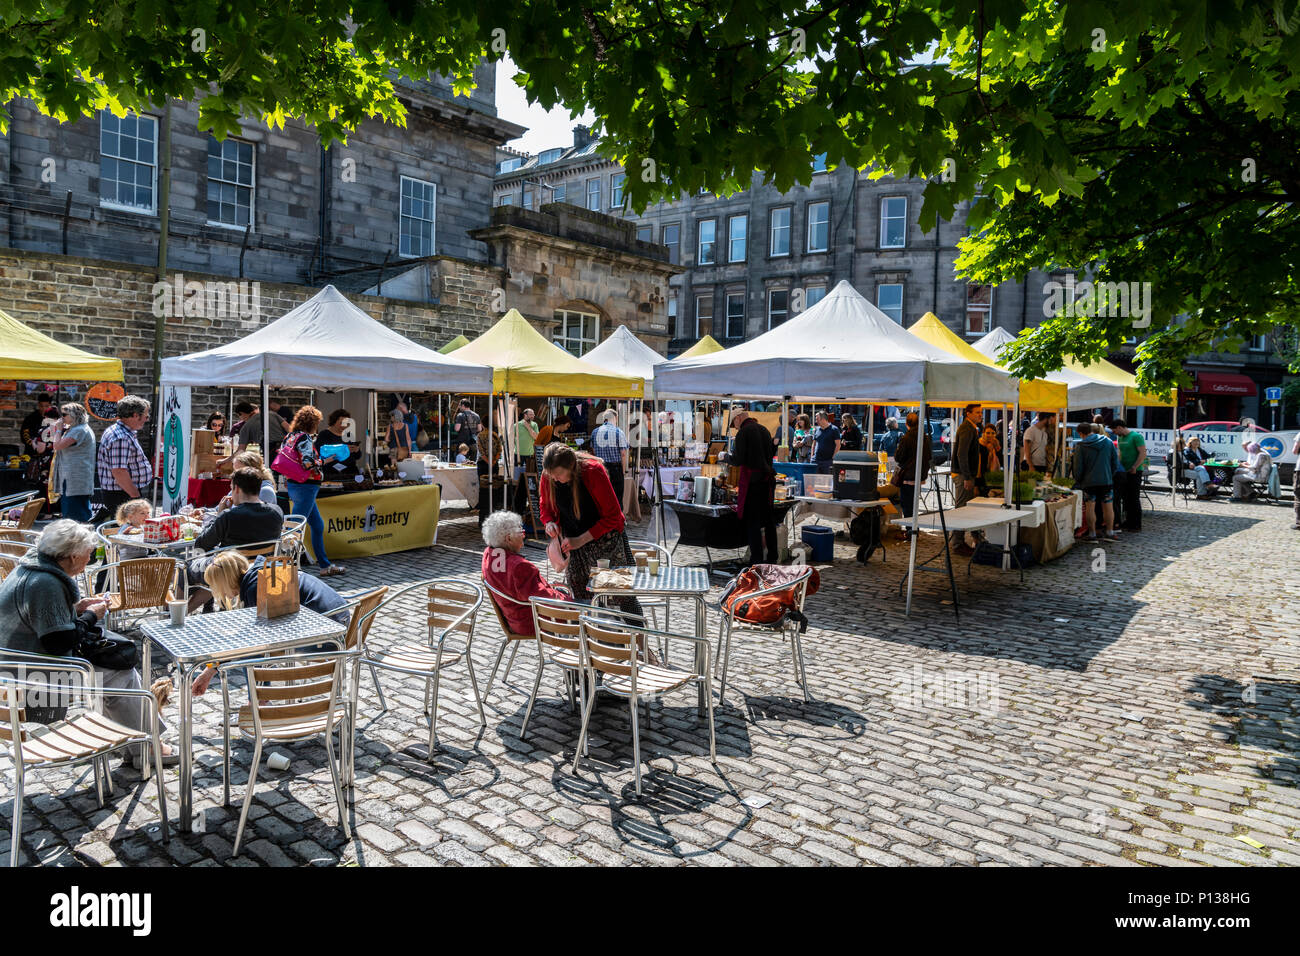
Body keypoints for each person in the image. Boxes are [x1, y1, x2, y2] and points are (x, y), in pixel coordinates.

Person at [0, 520, 176, 767]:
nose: (89, 560)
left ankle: (124, 738)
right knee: (122, 674)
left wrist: (74, 608)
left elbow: (41, 619)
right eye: (87, 554)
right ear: (72, 556)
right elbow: (58, 643)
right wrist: (92, 615)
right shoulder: (46, 584)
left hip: (12, 667)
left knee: (112, 669)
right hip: (33, 677)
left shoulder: (29, 569)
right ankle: (145, 748)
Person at [539, 443, 641, 617]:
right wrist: (549, 522)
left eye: (559, 475)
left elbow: (614, 516)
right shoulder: (549, 475)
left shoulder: (593, 471)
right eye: (552, 475)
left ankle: (638, 641)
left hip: (606, 543)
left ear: (570, 467)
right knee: (580, 597)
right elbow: (545, 505)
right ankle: (588, 641)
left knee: (621, 596)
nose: (555, 479)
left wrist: (582, 539)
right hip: (575, 546)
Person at [187, 467, 286, 610]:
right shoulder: (276, 511)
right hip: (261, 568)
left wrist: (218, 515)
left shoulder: (228, 516)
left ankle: (175, 617)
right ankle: (207, 608)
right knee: (212, 565)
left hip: (230, 570)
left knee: (185, 568)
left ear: (237, 489)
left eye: (231, 489)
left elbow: (201, 544)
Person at [277, 406, 345, 577]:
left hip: (295, 484)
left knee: (317, 525)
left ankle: (324, 565)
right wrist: (325, 460)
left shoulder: (290, 436)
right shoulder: (305, 438)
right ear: (312, 423)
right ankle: (283, 567)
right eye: (317, 422)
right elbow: (308, 463)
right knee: (294, 529)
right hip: (306, 485)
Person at [480, 511, 569, 634]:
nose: (523, 535)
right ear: (509, 539)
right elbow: (542, 597)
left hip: (515, 618)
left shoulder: (489, 554)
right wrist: (572, 602)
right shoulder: (519, 567)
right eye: (520, 531)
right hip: (534, 621)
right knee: (588, 617)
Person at [203, 551, 348, 624]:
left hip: (330, 630)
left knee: (250, 656)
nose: (219, 593)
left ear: (226, 581)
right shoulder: (263, 570)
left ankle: (257, 683)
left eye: (218, 587)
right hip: (343, 616)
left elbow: (261, 638)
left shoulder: (255, 587)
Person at [730, 409, 780, 565]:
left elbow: (738, 460)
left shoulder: (743, 432)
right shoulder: (764, 429)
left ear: (738, 418)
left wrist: (725, 457)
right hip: (767, 481)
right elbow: (771, 452)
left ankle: (756, 559)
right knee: (769, 522)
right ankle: (772, 556)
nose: (735, 427)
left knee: (753, 523)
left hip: (753, 483)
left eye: (734, 423)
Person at [94, 394, 153, 523]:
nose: (146, 420)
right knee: (125, 531)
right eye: (146, 416)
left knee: (122, 530)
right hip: (122, 493)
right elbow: (119, 471)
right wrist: (135, 496)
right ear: (135, 415)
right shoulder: (121, 437)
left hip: (122, 492)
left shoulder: (120, 432)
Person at [47, 403, 96, 523]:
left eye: (64, 415)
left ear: (74, 416)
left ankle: (77, 539)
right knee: (77, 510)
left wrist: (58, 430)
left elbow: (57, 446)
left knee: (74, 515)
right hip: (75, 477)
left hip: (75, 479)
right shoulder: (78, 428)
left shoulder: (79, 430)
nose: (61, 417)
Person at [1072, 422, 1119, 542]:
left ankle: (1092, 534)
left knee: (1090, 507)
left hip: (1089, 482)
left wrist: (1078, 480)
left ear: (1081, 433)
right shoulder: (1108, 442)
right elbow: (1115, 462)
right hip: (1106, 480)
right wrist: (1109, 474)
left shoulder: (1081, 446)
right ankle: (1109, 532)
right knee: (1108, 506)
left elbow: (1078, 467)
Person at [948, 404, 983, 555]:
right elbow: (961, 455)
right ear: (968, 414)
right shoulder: (967, 429)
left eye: (981, 413)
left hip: (966, 474)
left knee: (964, 508)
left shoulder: (970, 428)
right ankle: (957, 544)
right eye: (977, 413)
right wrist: (967, 477)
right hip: (963, 475)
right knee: (961, 508)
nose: (980, 415)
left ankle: (969, 539)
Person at [891, 412, 932, 528]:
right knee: (914, 504)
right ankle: (914, 528)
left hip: (908, 476)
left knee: (907, 505)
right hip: (919, 475)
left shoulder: (906, 438)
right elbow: (929, 456)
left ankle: (911, 531)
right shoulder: (925, 437)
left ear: (906, 424)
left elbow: (899, 457)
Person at [1110, 421, 1147, 531]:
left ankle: (1136, 524)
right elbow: (1120, 453)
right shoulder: (1120, 438)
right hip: (1123, 471)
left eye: (1114, 430)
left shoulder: (1136, 436)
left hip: (1135, 471)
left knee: (1134, 498)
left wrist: (1135, 466)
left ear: (1120, 427)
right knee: (1126, 498)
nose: (1114, 433)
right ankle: (1128, 521)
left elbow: (1142, 453)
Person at [591, 409, 630, 510]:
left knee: (602, 497)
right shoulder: (618, 432)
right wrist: (623, 470)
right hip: (615, 468)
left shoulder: (595, 432)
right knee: (617, 497)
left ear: (605, 419)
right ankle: (618, 522)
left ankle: (604, 520)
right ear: (615, 418)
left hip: (600, 468)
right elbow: (623, 453)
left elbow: (594, 452)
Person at [315, 409, 358, 479]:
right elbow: (319, 453)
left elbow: (357, 456)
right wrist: (342, 450)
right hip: (330, 474)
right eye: (341, 423)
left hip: (349, 473)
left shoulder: (348, 435)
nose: (344, 426)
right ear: (334, 421)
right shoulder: (324, 434)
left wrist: (356, 450)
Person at [977, 422, 1002, 494]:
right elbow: (977, 465)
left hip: (992, 477)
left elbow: (1001, 461)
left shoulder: (997, 445)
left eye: (993, 433)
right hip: (981, 478)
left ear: (996, 434)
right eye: (988, 433)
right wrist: (976, 484)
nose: (990, 435)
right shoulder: (979, 444)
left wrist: (996, 449)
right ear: (983, 433)